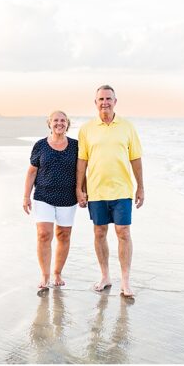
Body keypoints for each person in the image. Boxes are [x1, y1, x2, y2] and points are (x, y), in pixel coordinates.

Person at [76, 85, 144, 298]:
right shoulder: (86, 129)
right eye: (101, 99)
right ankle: (105, 276)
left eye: (108, 98)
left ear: (115, 101)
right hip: (96, 190)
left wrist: (141, 187)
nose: (105, 102)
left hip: (122, 189)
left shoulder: (127, 127)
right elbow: (82, 161)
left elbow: (136, 158)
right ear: (95, 103)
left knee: (123, 232)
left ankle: (125, 280)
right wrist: (79, 188)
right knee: (99, 232)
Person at [23, 110, 78, 290]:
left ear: (67, 124)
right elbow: (32, 172)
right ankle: (45, 276)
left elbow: (82, 171)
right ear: (49, 123)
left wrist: (83, 192)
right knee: (43, 234)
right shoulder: (40, 145)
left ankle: (57, 273)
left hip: (68, 197)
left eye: (63, 120)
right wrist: (26, 196)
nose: (59, 123)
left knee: (63, 235)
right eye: (56, 120)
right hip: (43, 196)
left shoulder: (76, 146)